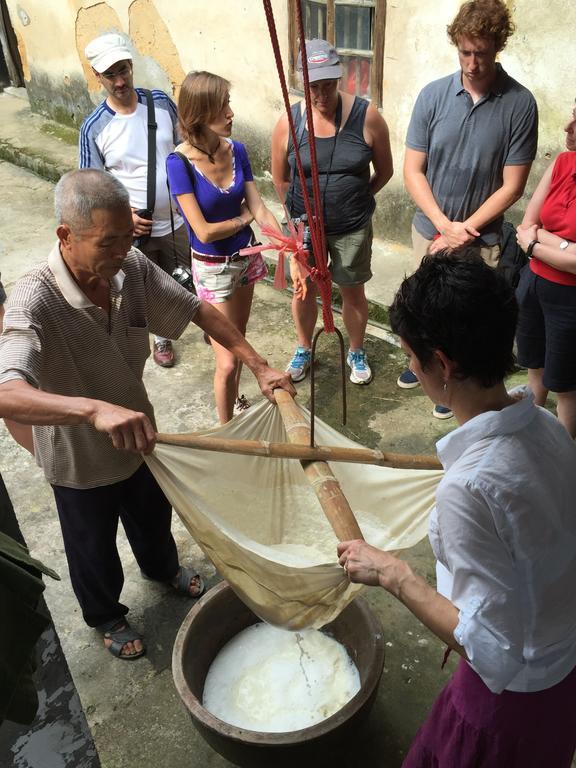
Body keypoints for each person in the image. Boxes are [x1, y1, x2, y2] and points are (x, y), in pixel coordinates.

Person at [0, 169, 295, 661]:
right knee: (91, 546)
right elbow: (6, 391)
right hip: (78, 460)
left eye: (126, 238)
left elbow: (196, 310)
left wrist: (259, 365)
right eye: (106, 242)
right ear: (65, 237)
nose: (119, 253)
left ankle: (161, 569)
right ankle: (105, 615)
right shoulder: (33, 301)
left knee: (153, 516)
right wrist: (92, 410)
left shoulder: (129, 268)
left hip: (139, 435)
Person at [338, 253, 576, 767]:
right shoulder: (550, 429)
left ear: (442, 364)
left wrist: (393, 573)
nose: (408, 368)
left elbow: (491, 650)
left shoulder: (469, 488)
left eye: (409, 356)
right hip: (562, 677)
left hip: (508, 707)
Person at [399, 0, 538, 419]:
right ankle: (426, 370)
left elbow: (512, 186)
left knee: (471, 323)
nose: (472, 63)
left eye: (481, 53)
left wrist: (462, 231)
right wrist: (442, 226)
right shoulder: (433, 96)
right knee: (425, 307)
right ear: (456, 46)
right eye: (465, 52)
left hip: (483, 238)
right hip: (430, 228)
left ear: (497, 47)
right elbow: (412, 169)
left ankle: (462, 394)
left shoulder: (519, 104)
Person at [271, 39, 393, 386]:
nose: (321, 96)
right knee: (303, 289)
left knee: (353, 289)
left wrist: (356, 198)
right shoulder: (289, 122)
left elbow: (384, 172)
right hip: (302, 225)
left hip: (351, 227)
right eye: (313, 87)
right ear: (302, 84)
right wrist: (295, 223)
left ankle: (356, 349)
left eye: (327, 85)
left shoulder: (366, 116)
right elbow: (281, 178)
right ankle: (304, 346)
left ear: (339, 79)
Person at [166, 71, 283, 424]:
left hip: (245, 261)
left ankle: (232, 407)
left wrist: (289, 247)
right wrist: (243, 221)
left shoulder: (238, 150)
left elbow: (259, 207)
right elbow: (202, 230)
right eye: (222, 107)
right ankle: (225, 431)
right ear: (198, 114)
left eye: (228, 104)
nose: (231, 113)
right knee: (229, 360)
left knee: (239, 342)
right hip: (212, 267)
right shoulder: (180, 163)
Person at [79, 32, 190, 368]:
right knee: (144, 287)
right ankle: (162, 338)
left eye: (124, 69)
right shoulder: (94, 128)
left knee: (188, 278)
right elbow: (91, 188)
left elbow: (184, 148)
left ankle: (203, 322)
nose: (120, 80)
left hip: (179, 219)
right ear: (98, 76)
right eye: (111, 74)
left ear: (132, 66)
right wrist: (122, 213)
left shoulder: (159, 102)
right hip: (134, 228)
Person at [516, 103, 576, 438]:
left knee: (566, 387)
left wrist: (536, 246)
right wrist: (565, 246)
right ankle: (529, 442)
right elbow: (527, 223)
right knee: (534, 371)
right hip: (534, 284)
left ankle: (564, 464)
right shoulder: (562, 163)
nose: (568, 127)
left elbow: (529, 236)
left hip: (570, 300)